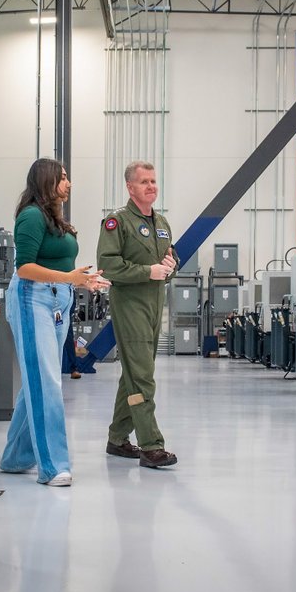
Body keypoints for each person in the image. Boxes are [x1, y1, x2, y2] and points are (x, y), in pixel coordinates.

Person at [0, 158, 110, 486]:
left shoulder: (54, 219)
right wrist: (68, 278)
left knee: (39, 378)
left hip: (57, 299)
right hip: (33, 297)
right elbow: (24, 267)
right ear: (47, 181)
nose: (68, 183)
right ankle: (53, 466)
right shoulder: (31, 215)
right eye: (62, 178)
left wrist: (82, 280)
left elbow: (63, 266)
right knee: (47, 380)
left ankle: (16, 458)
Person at [97, 161, 178, 469]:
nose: (151, 186)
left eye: (154, 181)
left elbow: (169, 258)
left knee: (133, 372)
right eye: (144, 182)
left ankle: (117, 438)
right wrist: (149, 271)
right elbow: (108, 264)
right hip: (129, 302)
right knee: (142, 374)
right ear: (130, 188)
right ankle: (150, 445)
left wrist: (171, 266)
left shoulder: (162, 222)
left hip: (155, 302)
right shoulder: (117, 222)